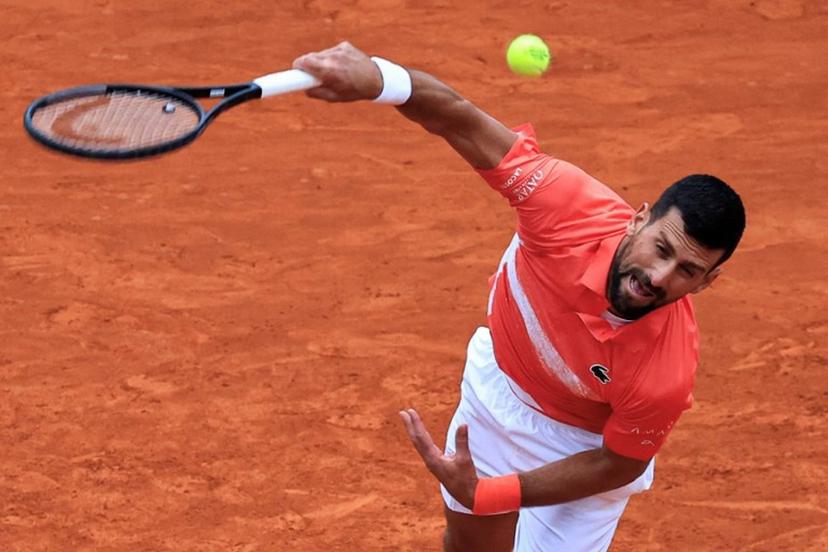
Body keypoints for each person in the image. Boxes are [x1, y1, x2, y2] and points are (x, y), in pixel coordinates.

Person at [293, 42, 746, 552]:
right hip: (500, 386)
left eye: (688, 271)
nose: (660, 278)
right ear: (638, 219)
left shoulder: (666, 371)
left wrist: (496, 492)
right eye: (660, 248)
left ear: (707, 282)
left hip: (584, 450)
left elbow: (619, 461)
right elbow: (460, 120)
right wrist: (378, 78)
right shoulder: (566, 207)